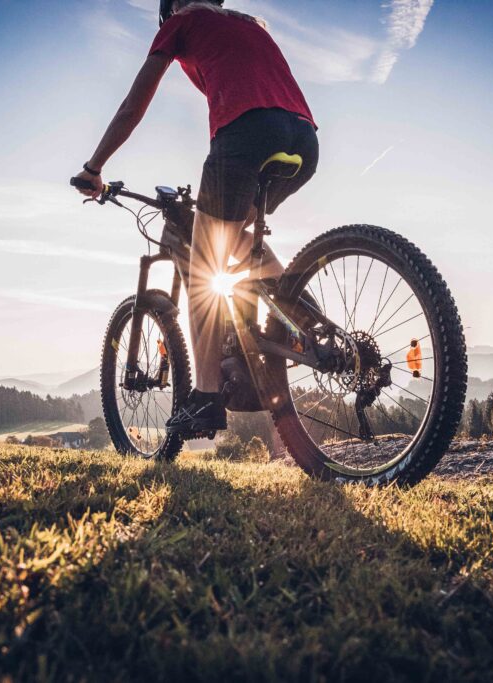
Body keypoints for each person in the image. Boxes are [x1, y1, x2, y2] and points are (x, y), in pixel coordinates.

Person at [75, 0, 319, 436]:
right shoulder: (249, 25)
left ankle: (205, 399)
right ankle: (300, 311)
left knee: (206, 267)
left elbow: (134, 105)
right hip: (303, 138)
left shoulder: (182, 21)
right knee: (238, 236)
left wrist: (94, 169)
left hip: (245, 134)